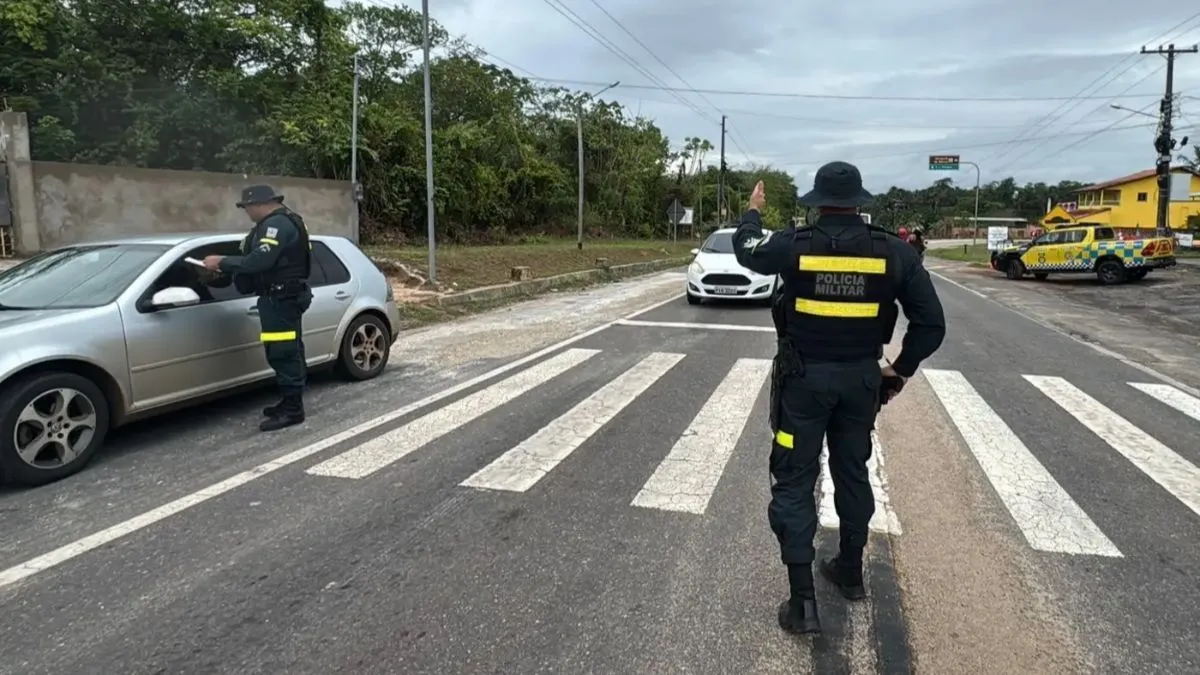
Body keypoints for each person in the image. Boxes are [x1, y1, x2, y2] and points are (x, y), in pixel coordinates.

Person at [731, 162, 946, 635]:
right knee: (852, 471)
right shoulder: (893, 252)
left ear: (816, 202)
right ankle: (849, 569)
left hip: (803, 387)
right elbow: (931, 324)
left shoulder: (795, 245)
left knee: (793, 478)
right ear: (859, 202)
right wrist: (899, 370)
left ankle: (802, 602)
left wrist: (752, 211)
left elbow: (746, 250)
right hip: (860, 385)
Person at [203, 185, 313, 432]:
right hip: (281, 296)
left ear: (258, 204)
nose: (247, 213)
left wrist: (222, 261)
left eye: (247, 208)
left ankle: (293, 409)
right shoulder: (283, 222)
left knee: (282, 351)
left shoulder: (277, 225)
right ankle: (289, 400)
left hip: (281, 298)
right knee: (288, 349)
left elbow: (261, 260)